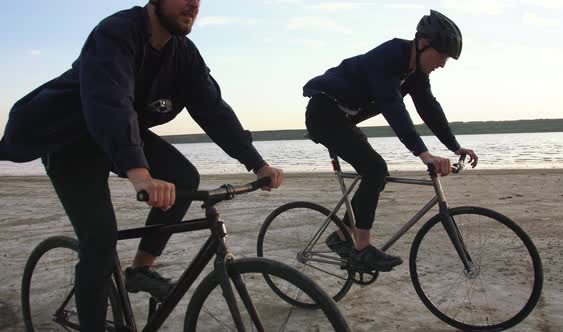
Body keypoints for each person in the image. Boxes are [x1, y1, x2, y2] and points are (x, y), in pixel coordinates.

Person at [0, 0, 283, 330]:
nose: (193, 4)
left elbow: (214, 111)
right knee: (100, 241)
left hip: (120, 132)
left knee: (182, 178)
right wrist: (140, 173)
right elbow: (110, 101)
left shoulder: (183, 53)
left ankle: (139, 270)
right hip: (70, 138)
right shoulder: (116, 33)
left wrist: (257, 164)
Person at [303, 10, 478, 272]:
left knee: (374, 174)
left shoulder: (415, 72)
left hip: (343, 118)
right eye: (441, 55)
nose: (442, 63)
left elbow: (428, 107)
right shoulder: (389, 56)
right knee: (375, 168)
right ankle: (362, 249)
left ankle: (339, 238)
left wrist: (454, 146)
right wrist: (424, 153)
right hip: (324, 113)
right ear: (422, 43)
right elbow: (392, 106)